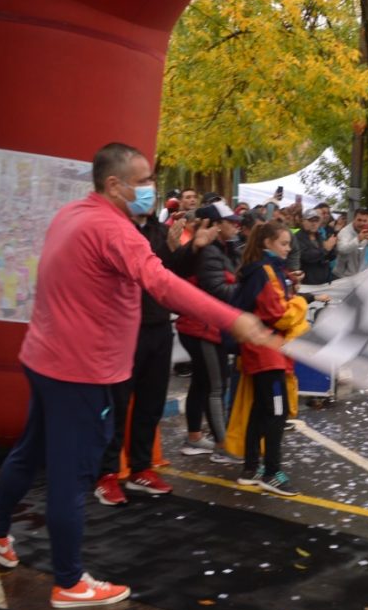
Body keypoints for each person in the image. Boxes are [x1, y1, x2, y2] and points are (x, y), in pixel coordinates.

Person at [0, 142, 271, 609]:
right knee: (73, 475)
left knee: (28, 453)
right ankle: (69, 582)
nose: (152, 188)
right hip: (80, 372)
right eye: (144, 180)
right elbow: (162, 285)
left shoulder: (72, 214)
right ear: (114, 184)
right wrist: (232, 319)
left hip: (46, 360)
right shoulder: (115, 231)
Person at [92, 191, 197, 506]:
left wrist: (191, 248)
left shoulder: (161, 231)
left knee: (151, 403)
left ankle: (141, 467)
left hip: (159, 325)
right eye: (140, 186)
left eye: (150, 187)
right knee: (118, 403)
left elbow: (172, 273)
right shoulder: (116, 226)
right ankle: (106, 473)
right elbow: (136, 268)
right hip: (124, 328)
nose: (148, 195)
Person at [232, 221, 321, 496]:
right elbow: (279, 315)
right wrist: (301, 301)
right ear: (267, 243)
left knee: (261, 409)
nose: (287, 249)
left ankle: (251, 468)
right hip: (267, 351)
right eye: (283, 243)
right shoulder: (266, 271)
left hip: (261, 349)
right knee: (276, 412)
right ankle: (271, 472)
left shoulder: (263, 270)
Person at [175, 201, 246, 464]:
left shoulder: (223, 249)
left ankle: (194, 438)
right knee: (216, 386)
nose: (235, 226)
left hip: (205, 327)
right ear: (212, 225)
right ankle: (222, 445)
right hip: (203, 327)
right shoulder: (208, 251)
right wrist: (248, 291)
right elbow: (216, 289)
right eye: (228, 222)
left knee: (203, 383)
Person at [295, 207, 337, 285]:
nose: (314, 223)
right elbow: (307, 257)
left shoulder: (319, 237)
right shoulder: (297, 237)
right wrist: (326, 249)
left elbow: (329, 257)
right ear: (303, 221)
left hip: (323, 282)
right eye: (311, 220)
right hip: (307, 284)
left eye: (316, 221)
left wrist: (332, 248)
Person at [334, 208, 368, 278]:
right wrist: (358, 239)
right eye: (359, 220)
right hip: (342, 276)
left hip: (358, 275)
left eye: (365, 221)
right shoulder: (345, 232)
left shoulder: (367, 230)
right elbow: (342, 249)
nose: (362, 223)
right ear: (354, 219)